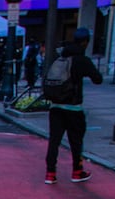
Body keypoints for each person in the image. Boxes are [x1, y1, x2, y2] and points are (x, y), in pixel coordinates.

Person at [42, 27, 103, 184]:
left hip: (55, 106)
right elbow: (98, 79)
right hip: (73, 107)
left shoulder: (60, 58)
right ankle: (77, 171)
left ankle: (50, 173)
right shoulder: (82, 60)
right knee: (76, 141)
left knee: (54, 141)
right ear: (85, 42)